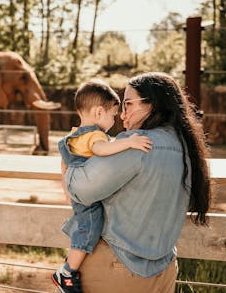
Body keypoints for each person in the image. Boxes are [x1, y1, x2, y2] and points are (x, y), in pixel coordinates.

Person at [61, 72, 211, 293]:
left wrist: (69, 156)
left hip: (118, 269)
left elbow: (79, 190)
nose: (122, 115)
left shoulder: (137, 145)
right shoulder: (186, 148)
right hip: (164, 270)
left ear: (154, 104)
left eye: (129, 104)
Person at [52, 79, 153, 293]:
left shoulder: (73, 135)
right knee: (90, 230)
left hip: (79, 192)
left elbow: (64, 163)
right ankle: (67, 271)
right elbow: (100, 150)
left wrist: (66, 190)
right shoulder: (95, 136)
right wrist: (129, 142)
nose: (115, 119)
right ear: (98, 113)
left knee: (83, 226)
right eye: (112, 115)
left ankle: (71, 266)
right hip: (88, 196)